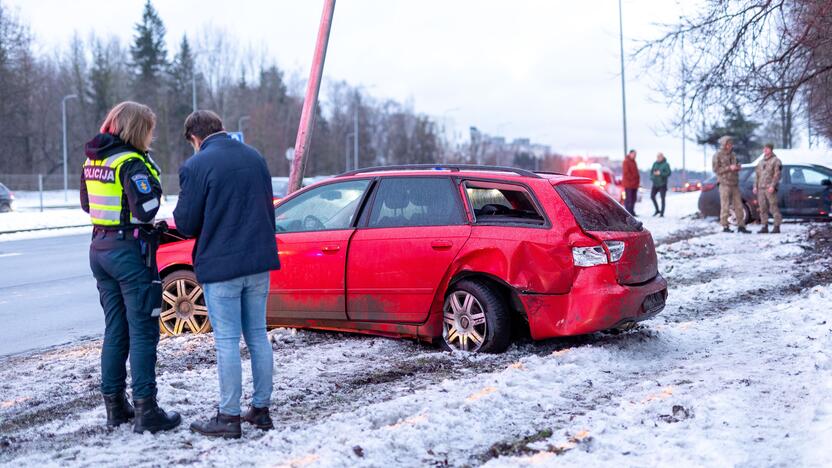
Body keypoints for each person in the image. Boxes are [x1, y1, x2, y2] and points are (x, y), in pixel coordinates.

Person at [174, 110, 280, 439]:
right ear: (221, 128)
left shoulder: (196, 166)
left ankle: (228, 416)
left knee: (227, 343)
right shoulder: (255, 157)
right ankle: (261, 411)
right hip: (259, 261)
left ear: (195, 138)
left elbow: (187, 222)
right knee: (258, 336)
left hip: (221, 266)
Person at [80, 101, 181, 433]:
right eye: (149, 130)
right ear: (139, 129)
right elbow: (149, 207)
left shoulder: (93, 159)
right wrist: (153, 183)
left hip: (100, 249)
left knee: (115, 329)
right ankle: (146, 410)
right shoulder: (131, 162)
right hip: (129, 253)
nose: (151, 136)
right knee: (143, 331)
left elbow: (86, 204)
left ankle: (115, 407)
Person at [712, 136, 750, 233]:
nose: (730, 146)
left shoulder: (733, 155)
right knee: (725, 206)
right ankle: (725, 226)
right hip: (724, 184)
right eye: (728, 144)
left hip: (734, 184)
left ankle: (741, 226)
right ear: (724, 144)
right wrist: (729, 168)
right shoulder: (717, 155)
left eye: (731, 144)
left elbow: (736, 164)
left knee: (739, 205)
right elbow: (716, 170)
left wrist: (737, 167)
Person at [753, 143, 783, 234]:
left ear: (771, 149)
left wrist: (773, 185)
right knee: (762, 208)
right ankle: (764, 226)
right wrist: (755, 186)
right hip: (761, 188)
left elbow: (777, 175)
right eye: (764, 148)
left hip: (769, 188)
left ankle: (776, 226)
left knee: (773, 207)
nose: (765, 150)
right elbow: (757, 175)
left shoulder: (776, 160)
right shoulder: (760, 162)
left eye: (767, 148)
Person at [650, 152, 672, 217]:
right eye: (657, 157)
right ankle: (657, 210)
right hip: (655, 184)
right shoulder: (655, 163)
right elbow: (651, 172)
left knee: (662, 199)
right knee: (652, 196)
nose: (658, 158)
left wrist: (660, 173)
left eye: (659, 157)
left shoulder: (666, 164)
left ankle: (662, 213)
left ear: (662, 157)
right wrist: (652, 178)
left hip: (663, 184)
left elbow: (668, 173)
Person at [622, 149, 640, 216]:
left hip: (634, 184)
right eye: (633, 154)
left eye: (635, 155)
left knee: (633, 198)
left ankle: (632, 211)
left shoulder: (634, 162)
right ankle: (628, 212)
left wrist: (637, 180)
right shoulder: (626, 161)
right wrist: (634, 178)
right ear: (630, 154)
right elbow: (626, 173)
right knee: (629, 199)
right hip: (629, 184)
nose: (634, 156)